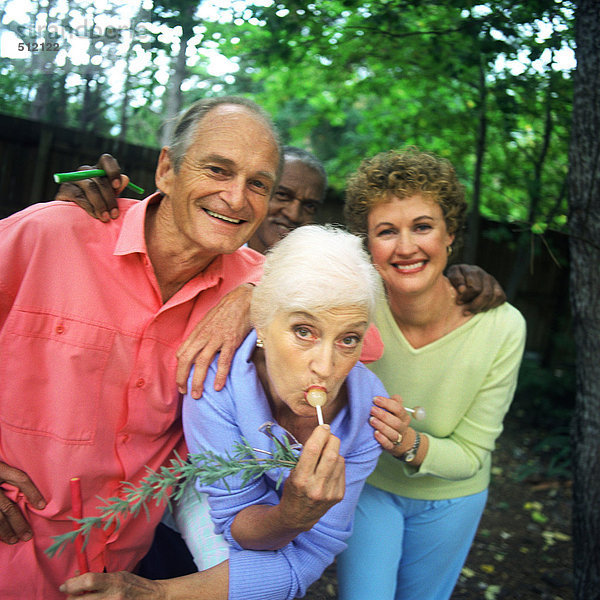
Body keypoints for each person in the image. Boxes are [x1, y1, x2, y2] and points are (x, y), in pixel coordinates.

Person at [0, 96, 282, 598]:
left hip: (115, 573)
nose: (237, 198)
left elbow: (362, 329)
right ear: (168, 169)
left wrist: (257, 293)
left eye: (257, 183)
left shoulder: (259, 281)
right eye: (218, 169)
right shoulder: (54, 232)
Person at [60, 225, 388, 599]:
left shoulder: (366, 412)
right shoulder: (216, 384)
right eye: (303, 331)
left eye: (348, 339)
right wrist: (293, 516)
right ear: (261, 323)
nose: (326, 368)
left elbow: (308, 558)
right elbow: (237, 523)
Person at [335, 148, 527, 600]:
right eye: (386, 231)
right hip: (369, 485)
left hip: (452, 497)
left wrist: (407, 442)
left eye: (422, 227)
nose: (405, 247)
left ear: (450, 235)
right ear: (368, 245)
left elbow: (472, 452)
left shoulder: (503, 328)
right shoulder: (351, 307)